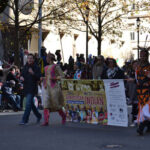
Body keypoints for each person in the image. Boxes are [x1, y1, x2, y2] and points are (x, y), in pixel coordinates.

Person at [41, 53, 66, 126]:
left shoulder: (56, 67)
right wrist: (43, 78)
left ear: (51, 58)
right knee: (46, 103)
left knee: (56, 104)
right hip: (47, 87)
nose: (46, 59)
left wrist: (55, 78)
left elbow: (62, 76)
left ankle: (63, 116)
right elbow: (47, 77)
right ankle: (46, 121)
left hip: (54, 87)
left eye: (47, 57)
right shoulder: (45, 67)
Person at [19, 53, 42, 125]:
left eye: (31, 58)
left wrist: (33, 73)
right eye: (28, 58)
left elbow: (39, 77)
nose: (29, 59)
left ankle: (24, 120)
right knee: (31, 104)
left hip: (32, 88)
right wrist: (21, 78)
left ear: (33, 59)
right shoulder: (25, 67)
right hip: (26, 87)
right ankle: (39, 115)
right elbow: (22, 75)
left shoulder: (36, 67)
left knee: (28, 104)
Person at [136, 50, 150, 135]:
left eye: (144, 56)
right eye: (141, 56)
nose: (142, 57)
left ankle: (141, 128)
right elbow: (136, 77)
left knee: (146, 110)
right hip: (140, 91)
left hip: (147, 91)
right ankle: (148, 126)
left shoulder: (149, 66)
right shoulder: (138, 67)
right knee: (144, 110)